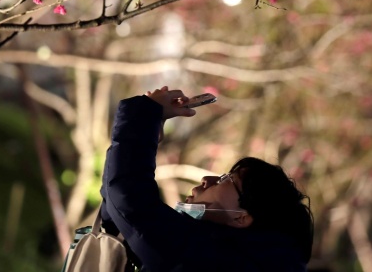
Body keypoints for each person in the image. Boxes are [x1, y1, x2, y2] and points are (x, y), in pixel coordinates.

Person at [99, 86, 313, 272]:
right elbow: (118, 212)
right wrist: (148, 130)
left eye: (226, 180)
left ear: (242, 218)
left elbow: (130, 202)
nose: (207, 179)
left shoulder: (212, 257)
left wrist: (144, 116)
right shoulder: (239, 257)